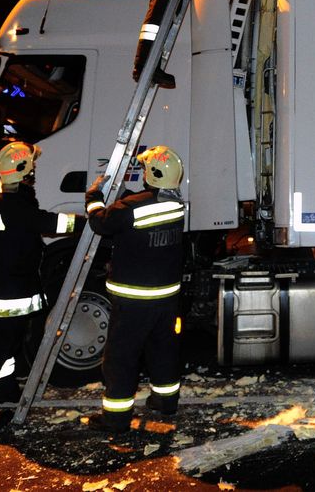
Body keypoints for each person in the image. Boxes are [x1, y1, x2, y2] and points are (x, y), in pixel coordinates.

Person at [0, 141, 78, 435]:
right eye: (32, 165)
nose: (35, 170)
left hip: (10, 291)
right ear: (21, 169)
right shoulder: (12, 203)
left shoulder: (7, 197)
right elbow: (50, 223)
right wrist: (89, 221)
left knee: (6, 351)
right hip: (6, 295)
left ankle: (4, 393)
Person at [85, 146, 187, 435]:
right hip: (166, 298)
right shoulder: (176, 205)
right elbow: (140, 209)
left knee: (121, 357)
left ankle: (116, 420)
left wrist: (93, 197)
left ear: (151, 174)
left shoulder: (130, 208)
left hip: (134, 300)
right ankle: (165, 403)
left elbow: (100, 223)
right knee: (163, 351)